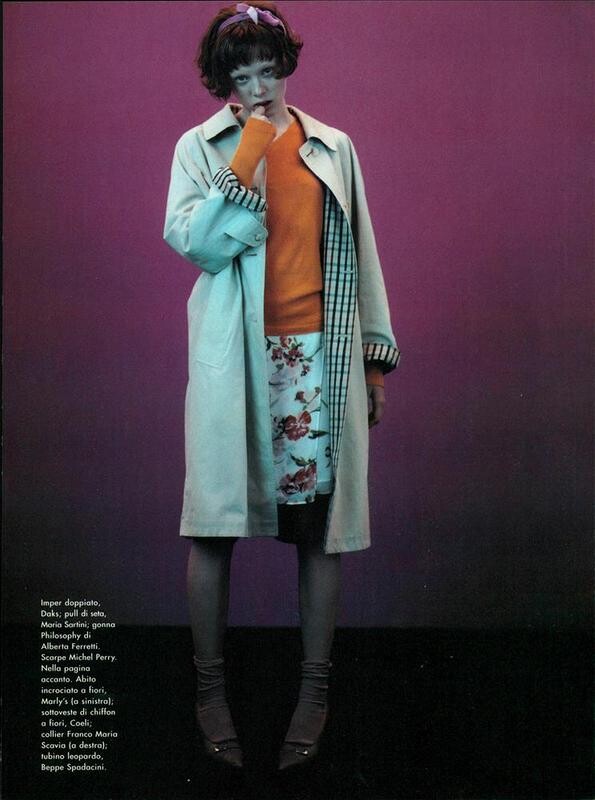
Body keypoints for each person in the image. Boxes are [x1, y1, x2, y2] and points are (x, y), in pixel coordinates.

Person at [163, 0, 400, 772]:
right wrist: (247, 154)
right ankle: (209, 693)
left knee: (318, 529)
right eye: (242, 77)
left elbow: (361, 252)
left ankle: (313, 691)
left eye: (269, 71)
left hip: (317, 358)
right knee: (213, 524)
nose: (259, 88)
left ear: (286, 67)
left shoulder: (332, 146)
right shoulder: (199, 147)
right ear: (222, 81)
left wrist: (372, 361)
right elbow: (196, 246)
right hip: (233, 356)